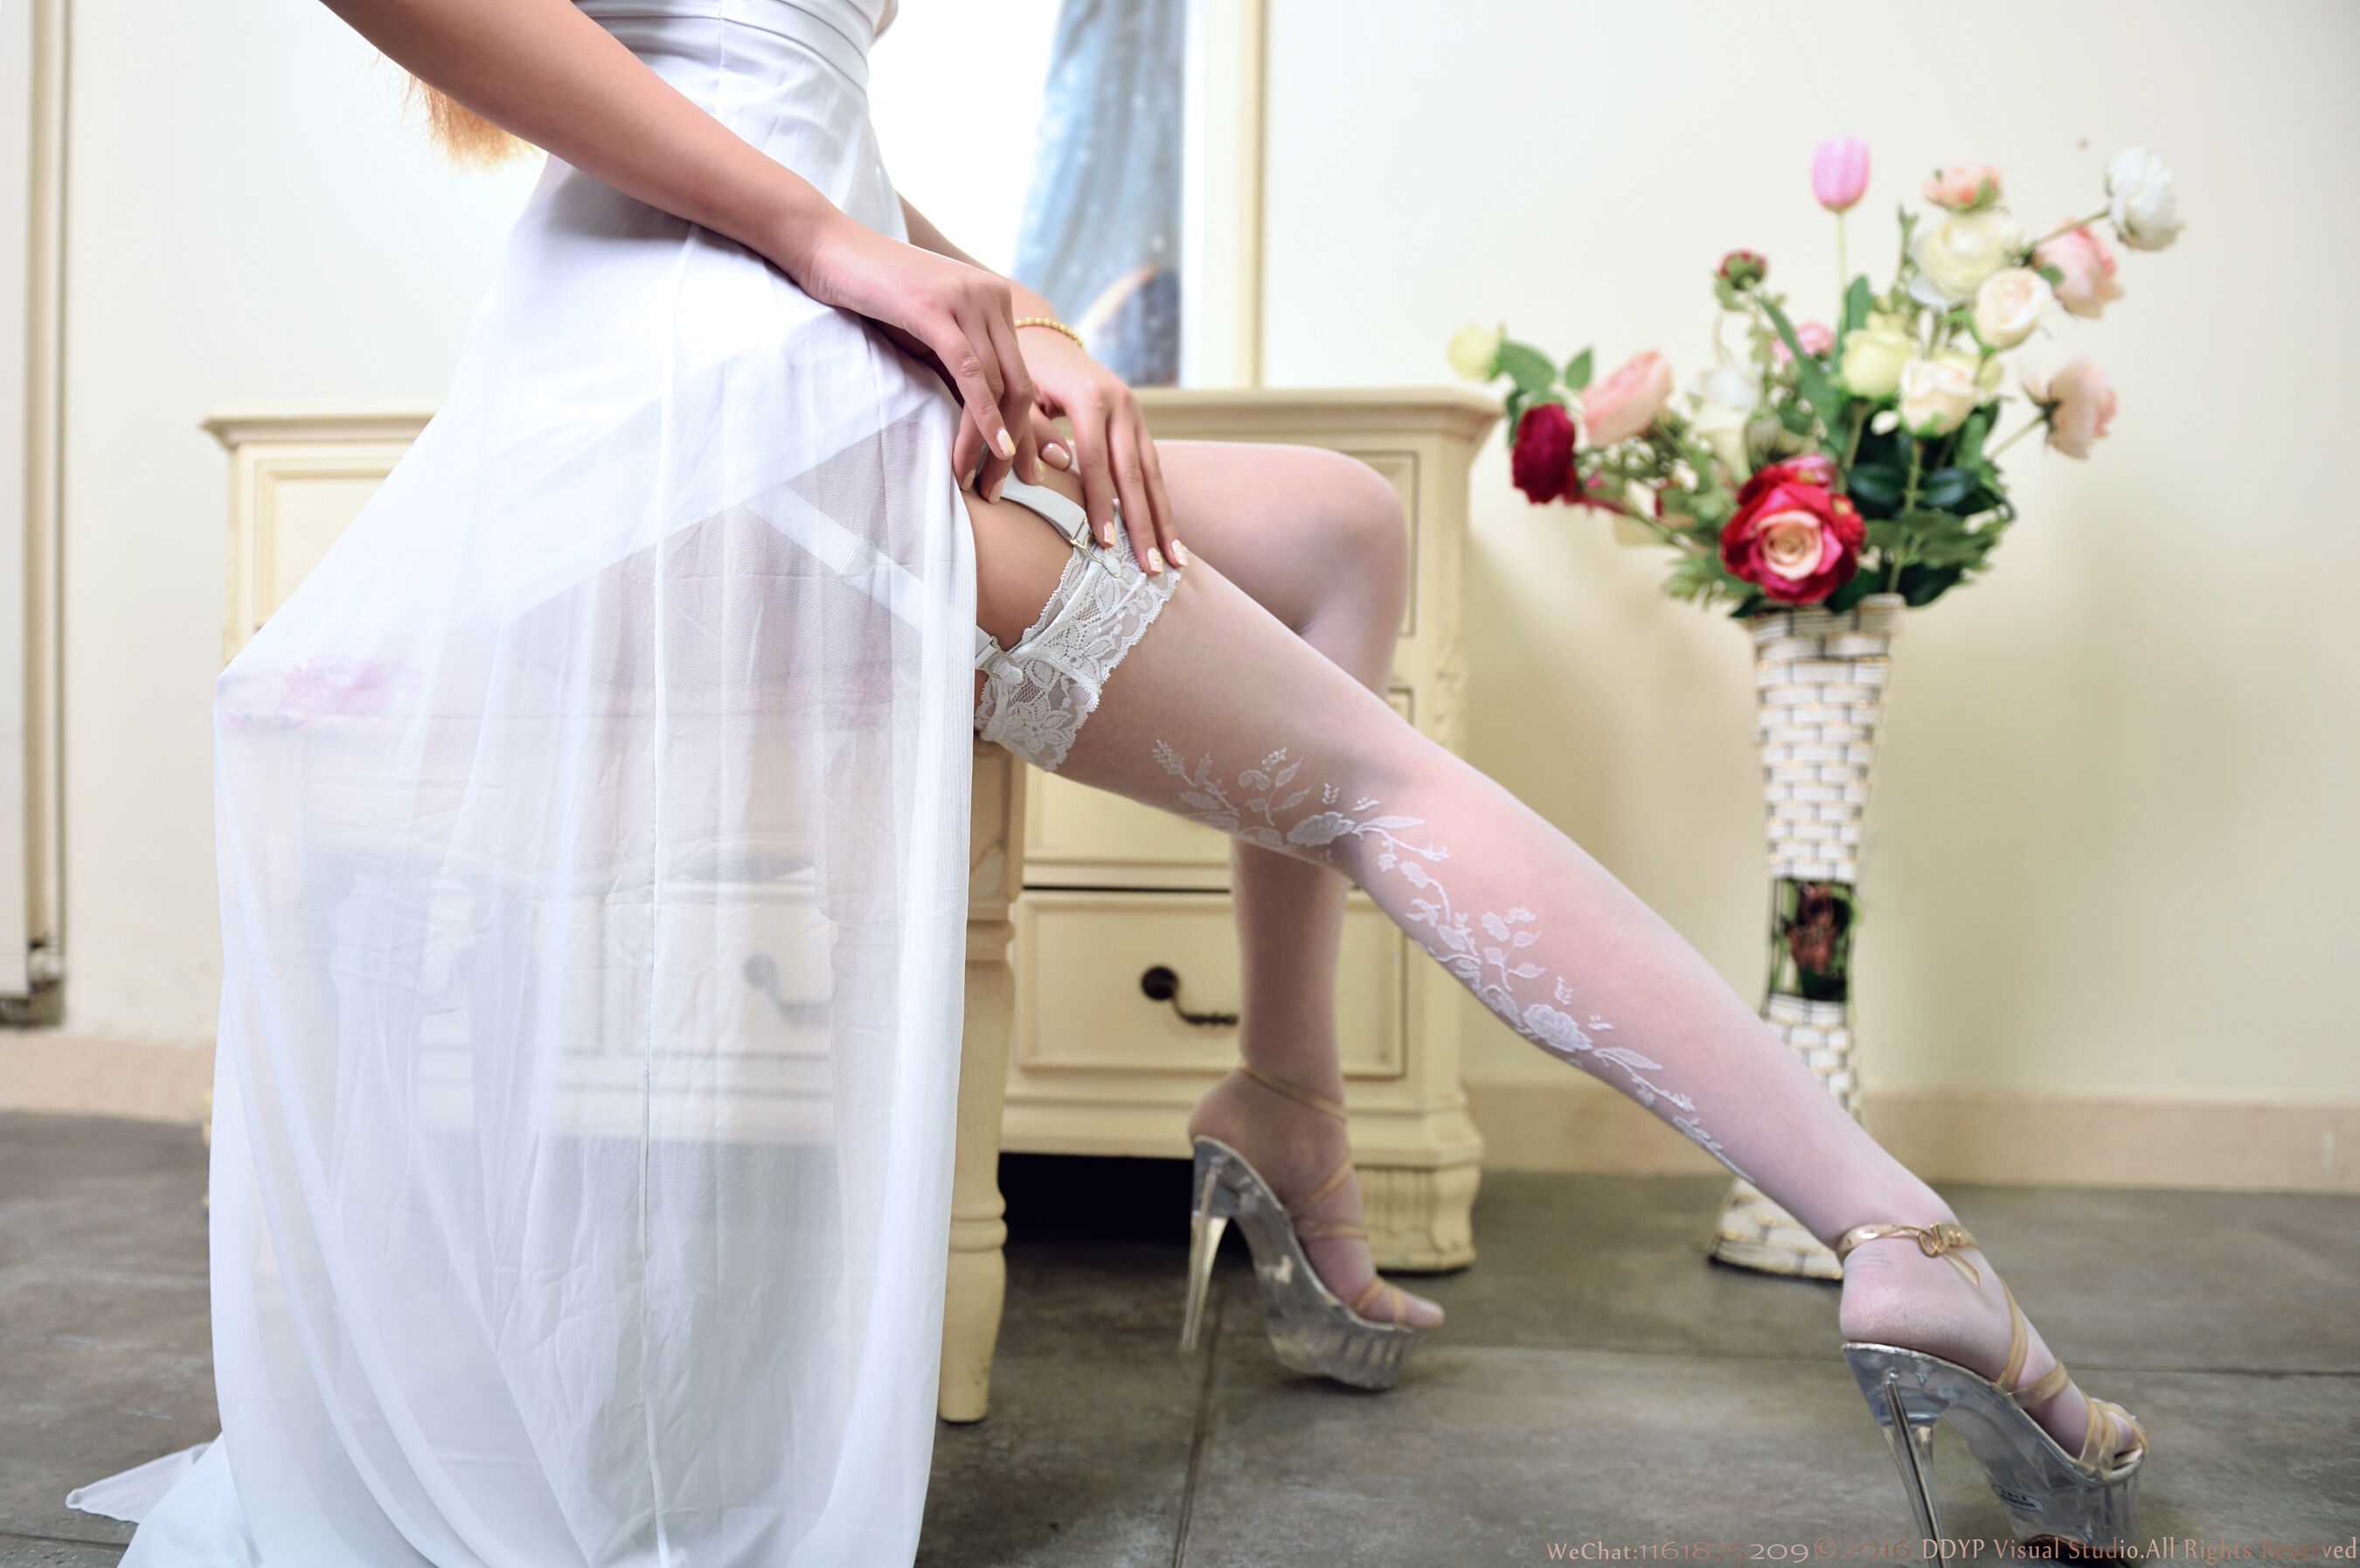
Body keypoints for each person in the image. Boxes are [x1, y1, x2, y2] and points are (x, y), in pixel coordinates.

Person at [65, 0, 2148, 1560]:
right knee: (1375, 782)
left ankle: (1287, 1111)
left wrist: (1024, 318)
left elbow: (778, 99)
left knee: (1341, 526)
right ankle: (1897, 1234)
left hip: (778, 329)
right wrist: (843, 257)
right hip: (708, 387)